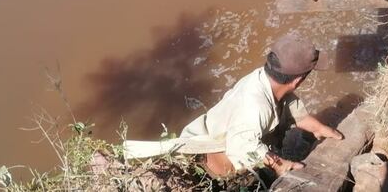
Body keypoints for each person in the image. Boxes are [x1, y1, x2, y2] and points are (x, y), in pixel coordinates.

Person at [123, 33, 343, 177]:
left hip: (226, 135)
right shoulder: (256, 105)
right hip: (213, 164)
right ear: (297, 80)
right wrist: (283, 165)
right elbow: (243, 148)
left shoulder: (268, 81)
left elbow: (297, 113)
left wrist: (322, 129)